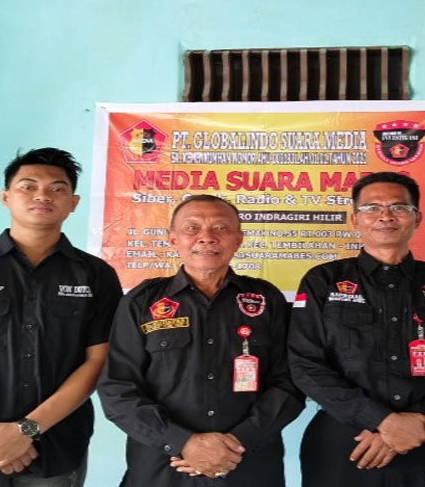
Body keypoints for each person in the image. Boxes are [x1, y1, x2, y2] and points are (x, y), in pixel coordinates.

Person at [0, 148, 123, 486]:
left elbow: (97, 362)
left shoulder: (96, 275)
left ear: (73, 203)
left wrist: (25, 431)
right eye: (28, 186)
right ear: (6, 197)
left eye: (57, 188)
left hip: (57, 449)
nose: (42, 196)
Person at [288, 172, 425, 487]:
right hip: (346, 442)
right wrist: (382, 421)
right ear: (355, 219)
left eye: (399, 207)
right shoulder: (323, 281)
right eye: (372, 208)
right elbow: (305, 364)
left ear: (417, 218)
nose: (386, 216)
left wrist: (414, 423)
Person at [98, 194, 304, 486]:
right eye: (192, 228)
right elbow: (118, 388)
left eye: (221, 228)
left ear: (238, 239)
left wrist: (238, 441)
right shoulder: (142, 302)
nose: (207, 237)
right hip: (164, 468)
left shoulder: (265, 299)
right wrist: (182, 442)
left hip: (248, 465)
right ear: (173, 239)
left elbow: (290, 381)